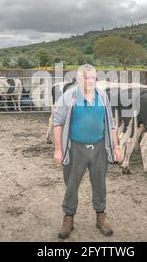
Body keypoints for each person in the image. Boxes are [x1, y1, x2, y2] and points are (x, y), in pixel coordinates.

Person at [53, 64, 122, 239]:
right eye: (87, 77)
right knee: (72, 184)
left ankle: (101, 216)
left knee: (100, 184)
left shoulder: (102, 96)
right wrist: (58, 149)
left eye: (93, 77)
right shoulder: (68, 97)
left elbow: (111, 124)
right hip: (75, 148)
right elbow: (58, 123)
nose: (91, 81)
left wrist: (116, 146)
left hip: (99, 147)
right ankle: (68, 218)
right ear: (78, 78)